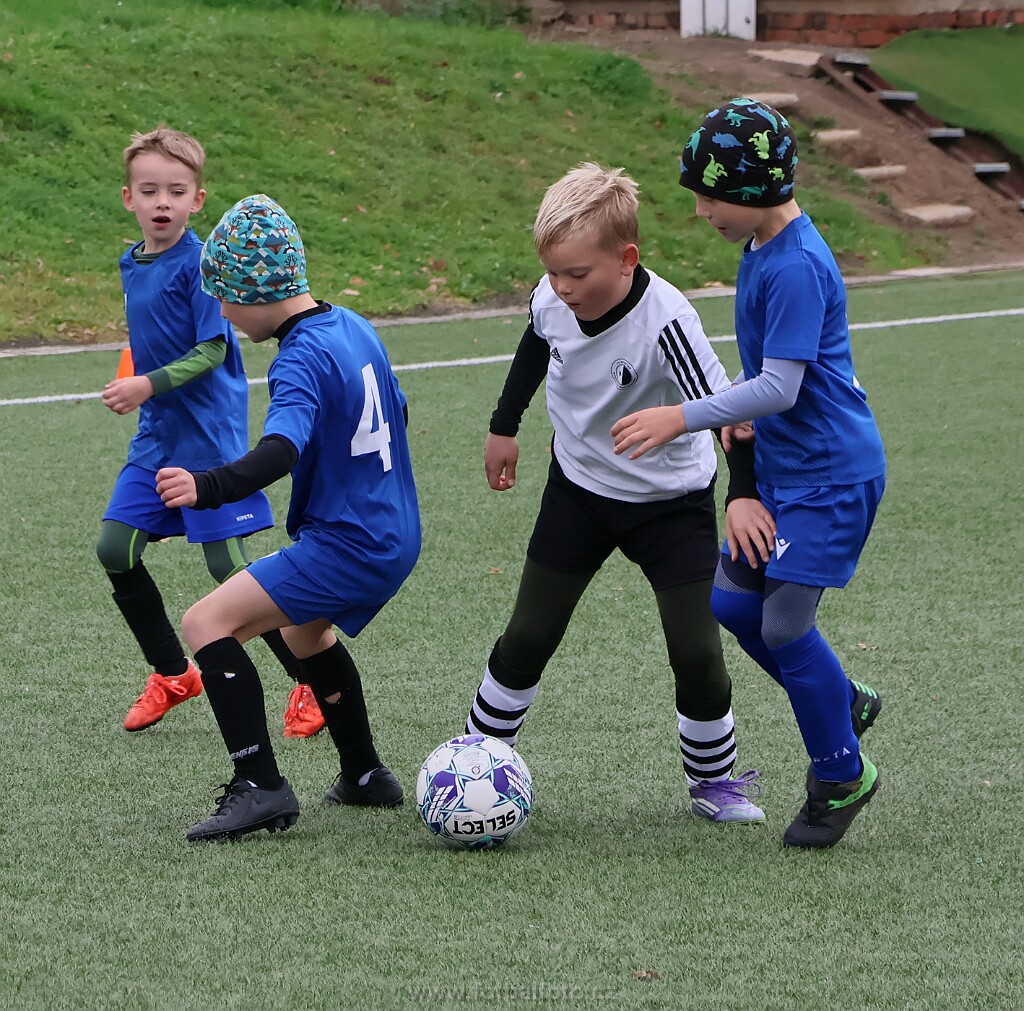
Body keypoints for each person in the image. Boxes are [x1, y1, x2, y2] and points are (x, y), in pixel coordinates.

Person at [464, 162, 777, 825]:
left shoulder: (668, 322)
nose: (561, 287)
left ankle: (714, 782)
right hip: (577, 491)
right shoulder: (553, 297)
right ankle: (472, 765)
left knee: (697, 651)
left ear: (626, 259)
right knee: (528, 635)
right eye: (552, 272)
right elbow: (536, 343)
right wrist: (503, 427)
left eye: (576, 274)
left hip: (671, 506)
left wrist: (742, 495)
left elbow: (732, 416)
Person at [611, 99, 885, 849]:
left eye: (710, 197)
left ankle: (842, 774)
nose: (701, 212)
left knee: (786, 625)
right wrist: (741, 448)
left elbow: (782, 389)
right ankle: (841, 699)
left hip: (830, 475)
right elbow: (762, 373)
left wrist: (684, 415)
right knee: (733, 605)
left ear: (753, 188)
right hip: (787, 470)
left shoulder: (794, 264)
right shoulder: (762, 249)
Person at [156, 194, 421, 842]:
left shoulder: (298, 357)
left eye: (226, 296)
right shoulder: (352, 325)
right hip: (394, 529)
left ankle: (260, 786)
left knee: (204, 622)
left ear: (256, 290)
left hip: (349, 542)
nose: (222, 310)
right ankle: (365, 773)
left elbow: (280, 449)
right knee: (304, 633)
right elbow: (398, 410)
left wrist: (206, 486)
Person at [99, 127, 324, 740]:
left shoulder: (202, 267)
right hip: (155, 442)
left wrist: (146, 384)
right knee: (115, 549)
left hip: (209, 444)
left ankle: (309, 679)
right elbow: (150, 335)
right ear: (129, 197)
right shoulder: (132, 261)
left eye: (176, 191)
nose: (162, 202)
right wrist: (134, 377)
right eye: (150, 190)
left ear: (197, 200)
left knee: (230, 571)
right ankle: (174, 675)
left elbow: (212, 349)